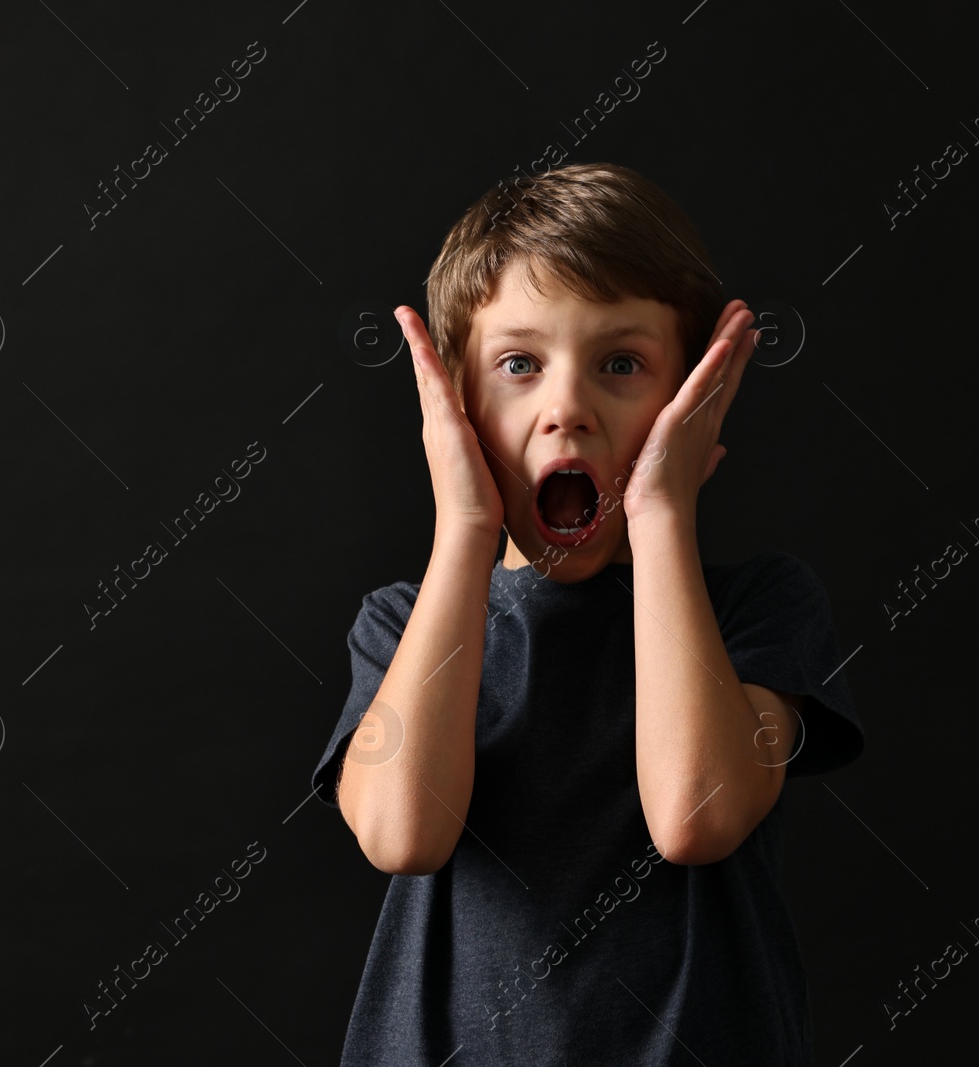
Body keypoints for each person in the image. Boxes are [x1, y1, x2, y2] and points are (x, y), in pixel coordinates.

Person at [310, 162, 865, 1065]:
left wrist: (658, 513)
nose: (566, 409)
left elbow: (695, 816)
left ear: (695, 401)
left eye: (620, 365)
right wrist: (464, 528)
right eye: (519, 365)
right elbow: (402, 833)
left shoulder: (759, 609)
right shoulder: (402, 623)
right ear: (459, 406)